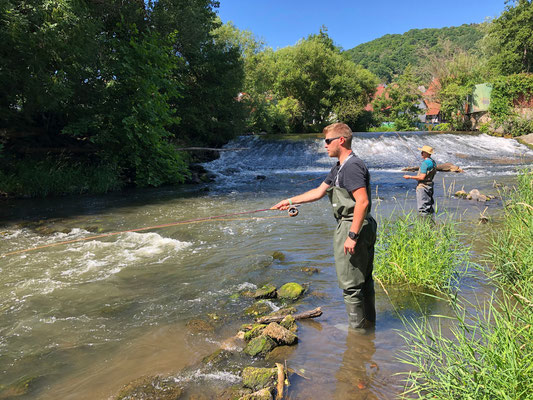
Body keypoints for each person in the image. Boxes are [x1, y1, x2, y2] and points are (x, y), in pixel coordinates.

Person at [272, 122, 377, 330]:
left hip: (352, 225)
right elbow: (319, 192)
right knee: (363, 281)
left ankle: (357, 335)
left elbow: (362, 202)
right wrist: (290, 201)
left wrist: (352, 235)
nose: (325, 146)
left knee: (352, 285)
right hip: (356, 225)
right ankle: (368, 329)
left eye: (328, 141)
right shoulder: (339, 167)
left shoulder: (353, 166)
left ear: (341, 140)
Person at [403, 145, 437, 215]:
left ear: (427, 153)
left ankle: (423, 224)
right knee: (429, 207)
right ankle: (431, 223)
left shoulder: (425, 163)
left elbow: (421, 177)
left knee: (423, 209)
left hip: (423, 186)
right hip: (430, 185)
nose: (421, 153)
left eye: (423, 152)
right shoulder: (433, 162)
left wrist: (409, 177)